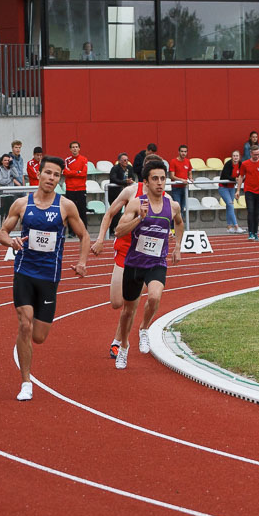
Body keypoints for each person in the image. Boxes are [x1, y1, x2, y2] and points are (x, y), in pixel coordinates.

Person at [0, 156, 89, 401]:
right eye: (48, 172)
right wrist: (11, 241)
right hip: (24, 271)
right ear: (38, 173)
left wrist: (82, 261)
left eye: (56, 175)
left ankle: (27, 364)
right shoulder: (21, 204)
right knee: (24, 324)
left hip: (49, 277)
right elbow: (2, 233)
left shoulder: (66, 206)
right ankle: (26, 382)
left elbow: (84, 236)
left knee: (39, 336)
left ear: (60, 179)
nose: (51, 178)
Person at [91, 153, 166, 359]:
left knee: (130, 304)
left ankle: (119, 342)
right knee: (116, 302)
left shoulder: (164, 197)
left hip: (147, 255)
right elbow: (109, 214)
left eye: (160, 174)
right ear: (144, 174)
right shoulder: (131, 191)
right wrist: (99, 239)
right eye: (152, 172)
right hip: (125, 251)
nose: (157, 179)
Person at [113, 159, 184, 369]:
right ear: (146, 182)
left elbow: (179, 224)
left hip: (157, 262)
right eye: (155, 179)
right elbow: (118, 231)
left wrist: (177, 246)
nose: (160, 183)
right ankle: (124, 347)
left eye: (163, 178)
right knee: (127, 312)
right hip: (134, 263)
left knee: (154, 297)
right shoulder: (136, 204)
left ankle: (144, 328)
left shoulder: (172, 206)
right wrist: (139, 219)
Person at [236, 145, 259, 241]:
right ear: (251, 153)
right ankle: (250, 232)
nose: (257, 156)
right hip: (249, 190)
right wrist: (238, 190)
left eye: (258, 154)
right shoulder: (245, 164)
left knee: (257, 212)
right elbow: (241, 177)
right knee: (250, 211)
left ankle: (255, 232)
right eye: (255, 154)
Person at [107, 153, 136, 236]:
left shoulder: (129, 168)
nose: (126, 162)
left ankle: (122, 228)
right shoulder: (115, 168)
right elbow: (113, 179)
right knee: (115, 211)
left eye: (127, 160)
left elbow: (133, 177)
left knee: (127, 211)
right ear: (119, 161)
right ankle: (111, 229)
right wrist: (124, 182)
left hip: (127, 193)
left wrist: (130, 180)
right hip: (115, 193)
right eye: (124, 160)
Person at [63, 141, 89, 227]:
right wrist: (77, 172)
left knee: (82, 210)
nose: (75, 148)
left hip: (81, 189)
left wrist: (72, 172)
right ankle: (71, 231)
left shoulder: (84, 159)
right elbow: (66, 172)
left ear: (79, 148)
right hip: (70, 189)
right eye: (73, 147)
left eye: (76, 147)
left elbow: (84, 173)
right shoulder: (67, 160)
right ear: (70, 149)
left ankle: (84, 229)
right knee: (70, 211)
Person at [218, 151, 244, 233]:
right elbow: (225, 175)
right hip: (223, 188)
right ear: (232, 157)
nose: (235, 157)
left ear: (239, 157)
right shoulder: (228, 164)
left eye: (237, 156)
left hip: (232, 188)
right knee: (230, 205)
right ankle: (236, 226)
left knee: (229, 207)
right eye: (234, 156)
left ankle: (229, 227)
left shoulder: (240, 164)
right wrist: (235, 179)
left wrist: (240, 180)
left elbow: (242, 175)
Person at [0, 153, 22, 219]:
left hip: (11, 194)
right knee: (1, 214)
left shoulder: (11, 168)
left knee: (9, 213)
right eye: (5, 160)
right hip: (2, 195)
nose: (7, 162)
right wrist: (10, 179)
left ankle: (7, 228)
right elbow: (0, 181)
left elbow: (17, 175)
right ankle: (0, 227)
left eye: (8, 160)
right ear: (2, 161)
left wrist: (12, 165)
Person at [168, 144, 192, 209]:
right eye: (182, 151)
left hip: (185, 187)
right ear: (178, 152)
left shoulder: (188, 161)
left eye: (185, 151)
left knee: (182, 207)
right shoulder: (173, 161)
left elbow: (190, 172)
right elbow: (172, 176)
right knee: (177, 208)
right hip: (176, 188)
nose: (183, 153)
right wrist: (182, 180)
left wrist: (191, 178)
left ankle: (181, 219)